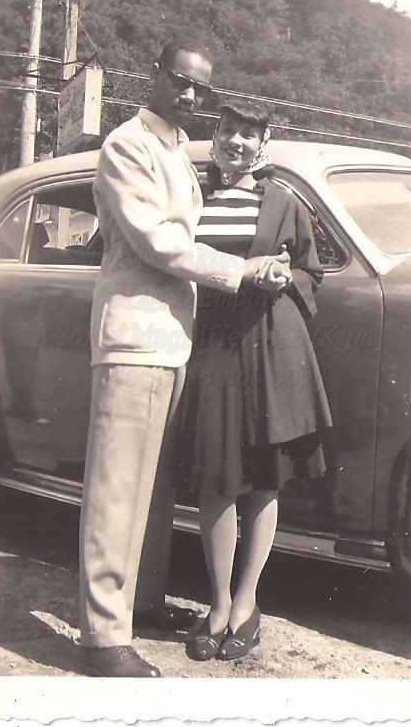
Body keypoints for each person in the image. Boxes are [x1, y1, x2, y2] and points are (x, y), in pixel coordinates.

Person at [79, 43, 291, 678]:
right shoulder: (127, 145)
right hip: (136, 336)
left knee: (154, 489)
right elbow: (156, 240)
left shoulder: (174, 149)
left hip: (175, 341)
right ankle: (101, 636)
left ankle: (136, 605)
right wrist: (241, 269)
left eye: (201, 89)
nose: (191, 97)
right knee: (118, 491)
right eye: (181, 83)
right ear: (154, 77)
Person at [176, 100, 332, 662]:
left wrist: (285, 273)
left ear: (262, 144)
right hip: (212, 346)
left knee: (263, 477)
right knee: (217, 479)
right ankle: (216, 603)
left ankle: (246, 603)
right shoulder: (191, 196)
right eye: (227, 130)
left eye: (247, 134)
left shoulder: (285, 202)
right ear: (213, 137)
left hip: (270, 342)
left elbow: (312, 271)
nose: (236, 142)